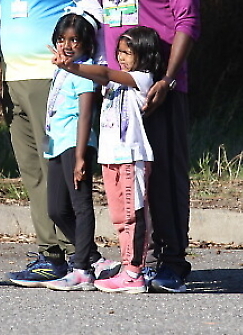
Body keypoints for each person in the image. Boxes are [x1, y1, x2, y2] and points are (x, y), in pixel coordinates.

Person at [0, 0, 103, 287]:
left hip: (53, 78)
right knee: (30, 171)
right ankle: (49, 254)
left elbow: (91, 12)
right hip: (14, 75)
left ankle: (80, 256)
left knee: (54, 168)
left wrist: (77, 62)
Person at [101, 0, 201, 293]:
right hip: (119, 90)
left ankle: (173, 261)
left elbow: (187, 22)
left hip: (157, 88)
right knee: (131, 178)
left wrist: (168, 78)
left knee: (164, 177)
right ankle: (137, 262)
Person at [52, 25, 163, 293]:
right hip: (110, 157)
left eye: (127, 53)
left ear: (145, 55)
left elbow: (103, 72)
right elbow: (101, 75)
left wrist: (71, 66)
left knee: (132, 215)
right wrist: (70, 67)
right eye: (119, 52)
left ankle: (134, 272)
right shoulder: (114, 82)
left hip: (131, 157)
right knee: (119, 218)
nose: (121, 58)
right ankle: (126, 269)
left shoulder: (142, 78)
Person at [41, 10, 119, 292]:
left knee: (81, 206)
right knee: (56, 209)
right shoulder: (61, 70)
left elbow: (86, 115)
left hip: (76, 143)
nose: (67, 45)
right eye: (62, 39)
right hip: (57, 143)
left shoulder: (84, 72)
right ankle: (94, 258)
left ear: (87, 44)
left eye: (74, 40)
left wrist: (80, 156)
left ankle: (82, 269)